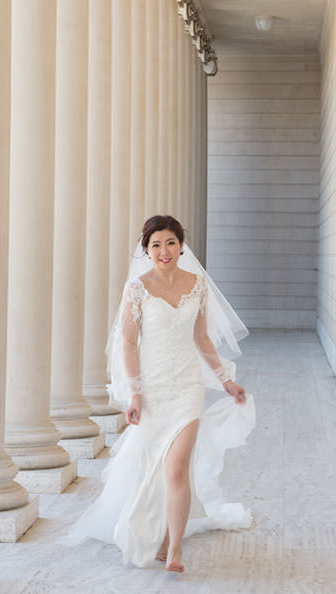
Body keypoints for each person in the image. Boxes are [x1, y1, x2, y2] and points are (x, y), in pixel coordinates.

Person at [62, 215, 256, 573]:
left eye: (169, 243)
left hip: (186, 388)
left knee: (177, 468)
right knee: (153, 469)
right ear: (146, 250)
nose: (163, 251)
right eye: (155, 245)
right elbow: (130, 344)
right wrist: (134, 393)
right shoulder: (136, 288)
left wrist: (226, 381)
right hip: (152, 390)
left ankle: (175, 549)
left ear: (181, 246)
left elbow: (202, 340)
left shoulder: (197, 285)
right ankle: (158, 534)